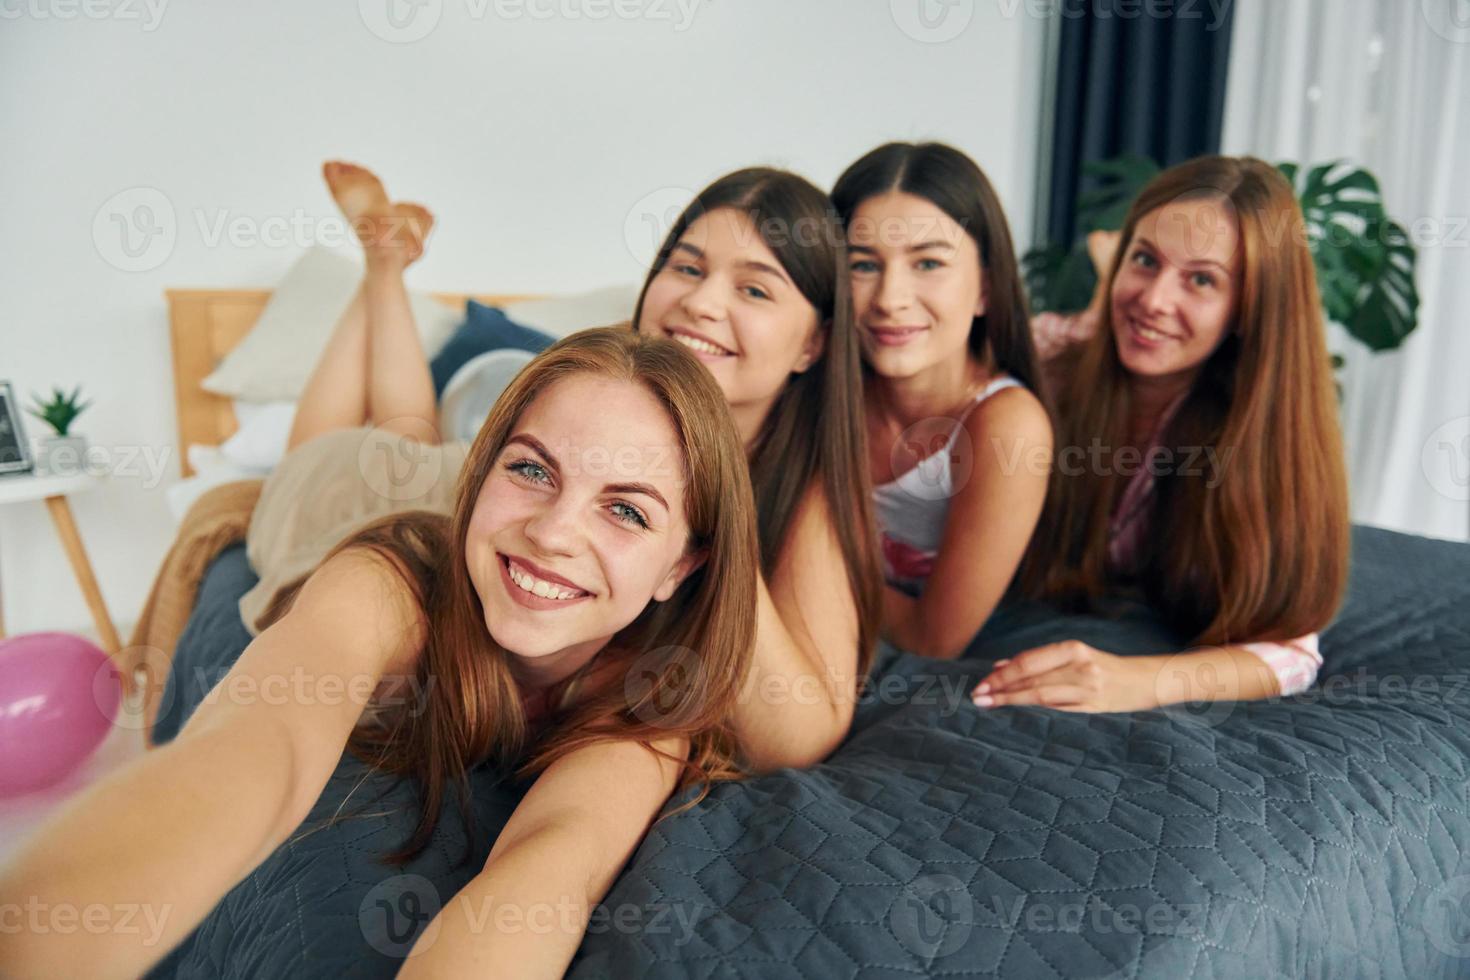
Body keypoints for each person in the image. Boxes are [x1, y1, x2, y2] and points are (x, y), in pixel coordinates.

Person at [972, 156, 1350, 712]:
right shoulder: (1044, 363)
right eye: (1145, 260)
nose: (1154, 299)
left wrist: (1137, 681)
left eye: (1201, 279)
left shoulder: (1259, 436)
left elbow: (1291, 654)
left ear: (1249, 308)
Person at [831, 141, 1053, 659]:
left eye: (928, 263)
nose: (890, 298)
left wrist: (807, 571)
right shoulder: (819, 386)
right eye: (864, 265)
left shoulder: (1005, 425)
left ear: (985, 290)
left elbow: (935, 639)